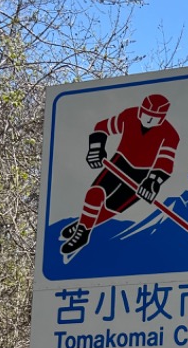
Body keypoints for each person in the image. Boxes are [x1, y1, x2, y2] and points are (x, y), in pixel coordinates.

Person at [60, 93, 180, 258]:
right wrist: (96, 148)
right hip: (118, 163)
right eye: (145, 114)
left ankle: (83, 224)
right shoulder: (129, 116)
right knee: (95, 194)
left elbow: (166, 162)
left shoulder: (170, 134)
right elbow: (102, 127)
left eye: (154, 117)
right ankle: (83, 233)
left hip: (141, 176)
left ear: (162, 117)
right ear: (140, 110)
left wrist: (153, 182)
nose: (148, 120)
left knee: (111, 208)